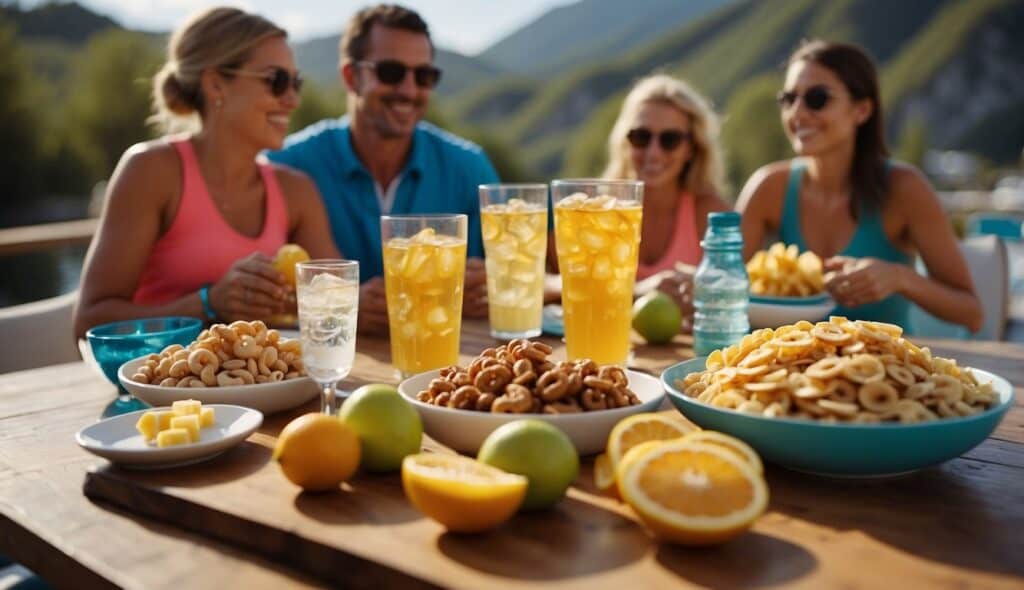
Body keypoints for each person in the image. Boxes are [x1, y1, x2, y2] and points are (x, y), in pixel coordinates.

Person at [73, 7, 339, 338]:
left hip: (266, 385)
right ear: (216, 85)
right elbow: (88, 323)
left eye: (295, 83)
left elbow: (336, 301)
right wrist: (209, 303)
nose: (292, 99)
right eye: (277, 81)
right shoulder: (151, 172)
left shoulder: (296, 191)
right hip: (162, 384)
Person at [267, 4, 498, 335]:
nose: (408, 90)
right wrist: (339, 306)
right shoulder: (287, 164)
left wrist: (493, 285)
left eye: (424, 76)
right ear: (351, 77)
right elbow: (265, 291)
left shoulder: (469, 166)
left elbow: (526, 272)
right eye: (391, 72)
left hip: (447, 364)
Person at [736, 40, 982, 332]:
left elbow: (972, 313)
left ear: (862, 110)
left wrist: (901, 278)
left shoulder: (905, 188)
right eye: (788, 99)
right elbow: (723, 285)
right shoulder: (768, 187)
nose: (797, 113)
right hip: (784, 368)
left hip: (883, 371)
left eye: (817, 98)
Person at [602, 74, 730, 325]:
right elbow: (563, 287)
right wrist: (638, 291)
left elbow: (735, 298)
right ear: (625, 141)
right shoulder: (598, 211)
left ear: (691, 149)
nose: (653, 152)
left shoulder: (710, 213)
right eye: (641, 136)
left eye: (669, 140)